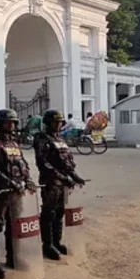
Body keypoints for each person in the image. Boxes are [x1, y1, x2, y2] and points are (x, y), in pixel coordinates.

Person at [0, 109, 37, 279]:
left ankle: (12, 257)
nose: (11, 125)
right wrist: (9, 182)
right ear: (0, 123)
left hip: (16, 191)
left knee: (14, 225)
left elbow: (22, 163)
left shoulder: (14, 143)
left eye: (13, 122)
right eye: (8, 122)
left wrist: (28, 179)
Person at [33, 109, 86, 261]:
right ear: (48, 123)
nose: (58, 125)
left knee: (59, 212)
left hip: (63, 182)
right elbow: (43, 163)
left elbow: (67, 161)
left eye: (60, 122)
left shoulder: (60, 139)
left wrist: (74, 176)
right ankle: (47, 244)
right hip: (51, 181)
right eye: (55, 122)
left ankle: (57, 241)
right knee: (48, 213)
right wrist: (62, 177)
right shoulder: (42, 138)